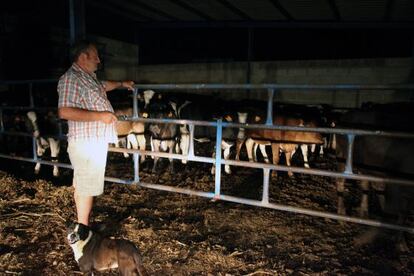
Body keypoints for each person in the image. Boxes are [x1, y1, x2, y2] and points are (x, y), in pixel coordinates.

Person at [57, 40, 134, 226]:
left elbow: (104, 85)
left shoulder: (87, 77)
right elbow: (64, 111)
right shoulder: (70, 78)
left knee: (84, 182)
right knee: (86, 186)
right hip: (86, 142)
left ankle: (82, 225)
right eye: (95, 56)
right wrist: (100, 116)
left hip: (93, 140)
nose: (99, 60)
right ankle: (83, 229)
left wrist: (123, 84)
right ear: (83, 57)